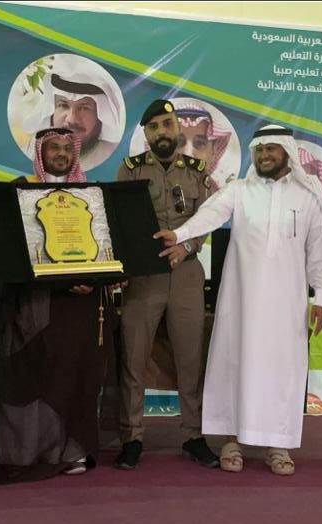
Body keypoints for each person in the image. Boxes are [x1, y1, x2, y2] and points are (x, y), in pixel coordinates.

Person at [155, 124, 322, 475]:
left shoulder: (308, 197)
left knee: (281, 370)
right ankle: (231, 440)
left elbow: (320, 253)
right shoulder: (239, 191)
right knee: (235, 364)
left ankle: (277, 444)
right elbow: (210, 214)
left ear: (286, 152)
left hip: (287, 305)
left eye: (271, 149)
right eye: (260, 150)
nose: (265, 155)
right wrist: (180, 233)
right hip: (241, 302)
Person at [0, 127, 117, 482]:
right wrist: (60, 280)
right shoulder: (20, 189)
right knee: (34, 375)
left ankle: (71, 450)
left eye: (67, 148)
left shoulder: (90, 194)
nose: (61, 154)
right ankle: (25, 452)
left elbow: (103, 246)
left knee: (74, 375)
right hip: (35, 302)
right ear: (40, 154)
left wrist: (92, 280)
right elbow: (9, 247)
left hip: (80, 305)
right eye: (54, 148)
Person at [115, 100, 219, 470]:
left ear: (177, 128)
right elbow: (120, 219)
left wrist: (187, 246)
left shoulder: (197, 171)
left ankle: (193, 435)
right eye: (155, 126)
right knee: (134, 359)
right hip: (144, 276)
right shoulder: (130, 170)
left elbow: (208, 218)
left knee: (190, 359)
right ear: (146, 133)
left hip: (187, 273)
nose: (162, 131)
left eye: (167, 124)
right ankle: (131, 436)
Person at [21, 54, 124, 169]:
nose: (71, 119)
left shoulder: (113, 158)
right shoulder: (33, 149)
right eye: (63, 105)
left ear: (101, 115)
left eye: (84, 107)